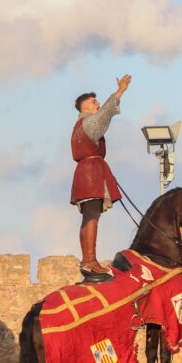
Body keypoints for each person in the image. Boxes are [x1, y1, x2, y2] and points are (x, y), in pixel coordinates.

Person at [71, 74, 131, 276]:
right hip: (91, 173)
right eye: (93, 101)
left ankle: (88, 259)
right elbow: (105, 115)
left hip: (85, 172)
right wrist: (120, 92)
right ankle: (90, 261)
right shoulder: (88, 123)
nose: (96, 103)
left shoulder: (80, 126)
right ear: (84, 107)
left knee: (89, 216)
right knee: (92, 217)